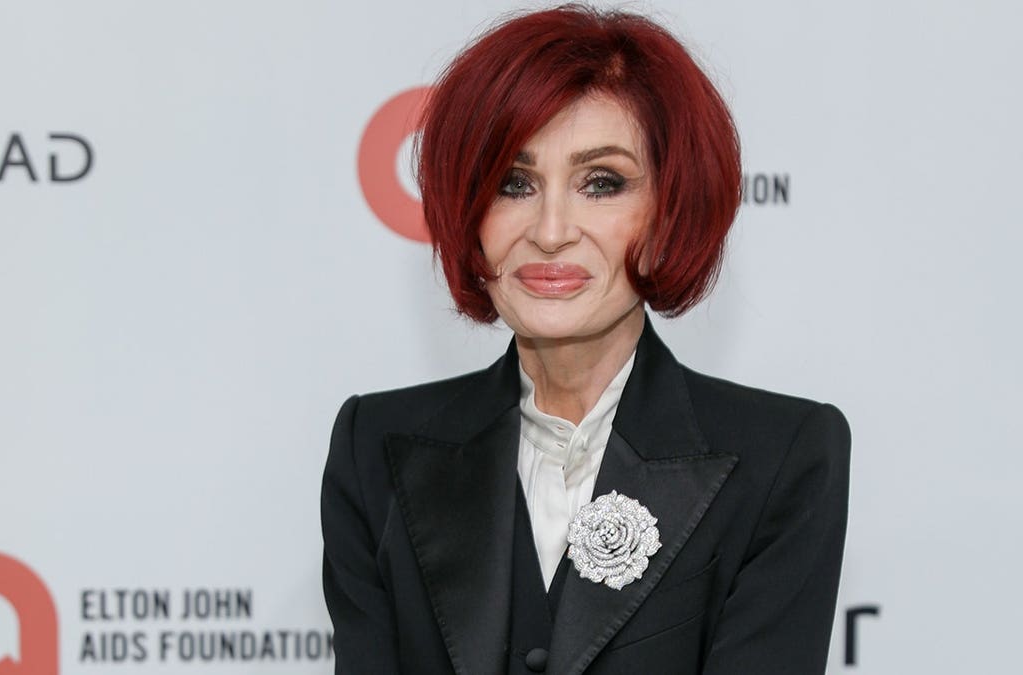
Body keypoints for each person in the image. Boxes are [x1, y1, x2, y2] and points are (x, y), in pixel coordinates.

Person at [321, 6, 850, 674]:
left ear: (669, 213)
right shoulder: (373, 446)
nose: (550, 231)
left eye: (601, 183)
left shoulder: (783, 458)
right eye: (514, 183)